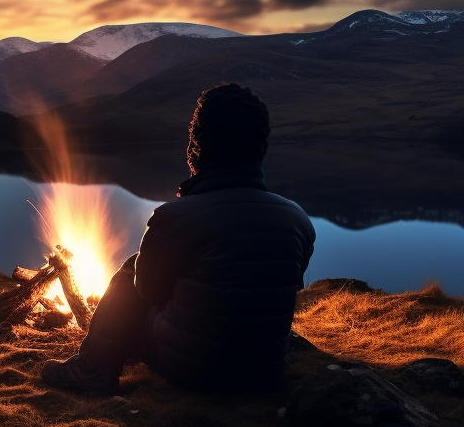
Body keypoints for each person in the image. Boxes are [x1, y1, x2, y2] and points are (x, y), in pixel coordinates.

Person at [41, 83, 316, 394]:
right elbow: (287, 288)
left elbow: (148, 293)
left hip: (196, 372)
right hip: (265, 372)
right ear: (260, 146)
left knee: (133, 269)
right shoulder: (297, 218)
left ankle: (92, 368)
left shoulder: (175, 218)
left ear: (196, 145)